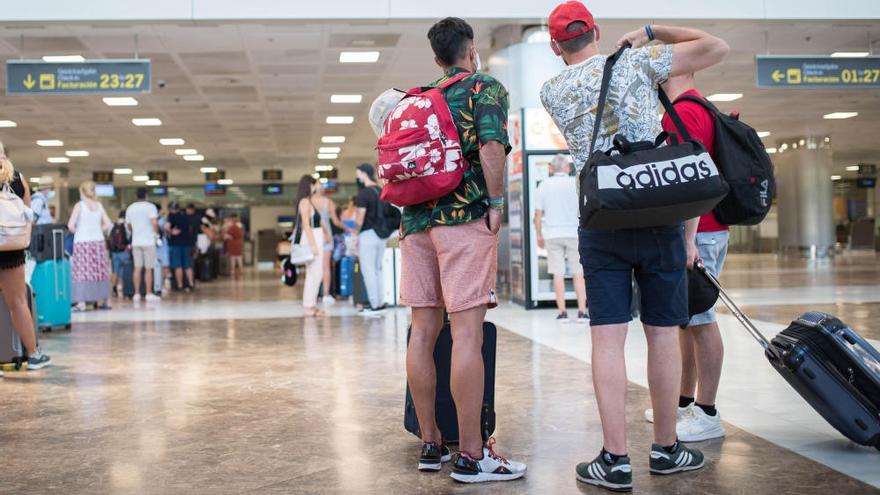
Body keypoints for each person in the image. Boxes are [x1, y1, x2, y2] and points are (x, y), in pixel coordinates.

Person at [539, 2, 729, 490]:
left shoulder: (552, 89)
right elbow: (716, 46)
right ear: (597, 31)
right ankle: (666, 449)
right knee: (663, 332)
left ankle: (615, 459)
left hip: (602, 217)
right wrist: (650, 32)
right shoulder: (637, 61)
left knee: (607, 336)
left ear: (556, 46)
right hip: (658, 212)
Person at [400, 17, 526, 483]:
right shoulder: (482, 88)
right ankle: (472, 454)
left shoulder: (416, 99)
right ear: (471, 51)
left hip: (414, 224)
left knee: (423, 332)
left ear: (437, 59)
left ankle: (431, 442)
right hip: (461, 219)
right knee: (467, 333)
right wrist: (495, 204)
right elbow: (492, 148)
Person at [642, 74, 728, 443]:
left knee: (701, 317)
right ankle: (683, 402)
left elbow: (688, 179)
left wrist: (688, 240)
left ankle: (707, 412)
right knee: (687, 320)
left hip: (701, 231)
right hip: (706, 227)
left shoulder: (683, 113)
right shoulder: (697, 107)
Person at [0, 143, 51, 372]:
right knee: (18, 303)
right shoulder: (19, 179)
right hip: (13, 249)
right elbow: (27, 215)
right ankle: (33, 355)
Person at [533, 154, 588, 323]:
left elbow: (538, 213)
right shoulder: (576, 183)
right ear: (567, 167)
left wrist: (539, 234)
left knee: (558, 273)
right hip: (574, 233)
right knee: (578, 272)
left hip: (553, 234)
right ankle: (581, 312)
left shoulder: (543, 185)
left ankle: (562, 312)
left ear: (551, 168)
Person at [67, 181, 113, 311]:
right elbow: (108, 223)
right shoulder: (99, 205)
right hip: (98, 242)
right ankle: (106, 300)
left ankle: (81, 302)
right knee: (100, 271)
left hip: (82, 242)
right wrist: (97, 229)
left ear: (82, 191)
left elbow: (70, 225)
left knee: (82, 271)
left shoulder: (80, 205)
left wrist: (79, 231)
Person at [353, 164, 390, 316]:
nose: (357, 177)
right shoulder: (381, 190)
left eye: (358, 174)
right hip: (381, 235)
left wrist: (355, 235)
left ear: (364, 174)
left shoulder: (363, 194)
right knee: (378, 269)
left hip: (367, 235)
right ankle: (380, 302)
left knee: (368, 271)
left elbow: (360, 218)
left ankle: (374, 306)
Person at [295, 175, 325, 317]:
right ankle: (309, 306)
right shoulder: (305, 202)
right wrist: (313, 245)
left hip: (315, 237)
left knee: (314, 273)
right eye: (314, 185)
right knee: (314, 273)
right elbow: (306, 224)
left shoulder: (308, 201)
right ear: (309, 185)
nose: (316, 187)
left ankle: (311, 305)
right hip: (312, 238)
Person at [125, 188, 160, 303]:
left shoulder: (130, 208)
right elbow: (154, 223)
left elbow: (129, 226)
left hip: (136, 242)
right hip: (149, 241)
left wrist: (136, 231)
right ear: (146, 195)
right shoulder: (150, 207)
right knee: (149, 269)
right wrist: (155, 233)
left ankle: (136, 294)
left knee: (137, 268)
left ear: (136, 195)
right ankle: (149, 293)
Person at [312, 185, 345, 304]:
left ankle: (314, 295)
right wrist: (349, 229)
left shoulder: (308, 201)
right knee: (326, 267)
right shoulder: (328, 202)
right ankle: (326, 295)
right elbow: (336, 221)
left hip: (313, 236)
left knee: (313, 268)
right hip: (326, 238)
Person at [166, 202, 196, 292]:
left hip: (175, 244)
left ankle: (180, 285)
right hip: (187, 244)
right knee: (188, 265)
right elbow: (190, 230)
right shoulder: (186, 217)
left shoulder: (171, 217)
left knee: (177, 265)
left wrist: (170, 232)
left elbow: (167, 228)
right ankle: (191, 284)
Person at [108, 210, 131, 298]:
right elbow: (129, 236)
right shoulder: (126, 225)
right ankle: (127, 289)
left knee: (115, 271)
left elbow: (109, 237)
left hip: (114, 252)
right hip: (124, 251)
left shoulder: (112, 225)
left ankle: (114, 289)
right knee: (126, 270)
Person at [223, 214, 245, 279]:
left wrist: (227, 234)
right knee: (239, 259)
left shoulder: (233, 227)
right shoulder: (239, 226)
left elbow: (226, 236)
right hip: (237, 245)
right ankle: (240, 271)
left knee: (233, 260)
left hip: (233, 245)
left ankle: (233, 272)